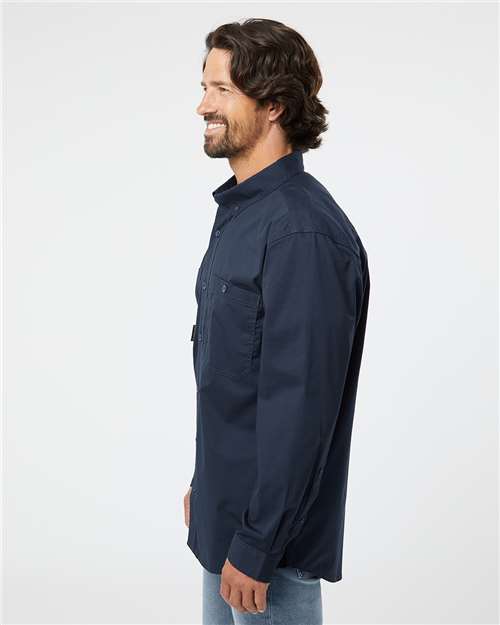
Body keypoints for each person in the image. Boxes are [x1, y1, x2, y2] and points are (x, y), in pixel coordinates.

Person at [184, 18, 370, 625]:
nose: (202, 106)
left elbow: (301, 407)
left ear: (274, 106)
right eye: (205, 88)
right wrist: (207, 487)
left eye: (221, 90)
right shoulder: (244, 214)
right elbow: (233, 379)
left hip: (269, 551)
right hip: (227, 522)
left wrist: (259, 542)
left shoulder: (302, 233)